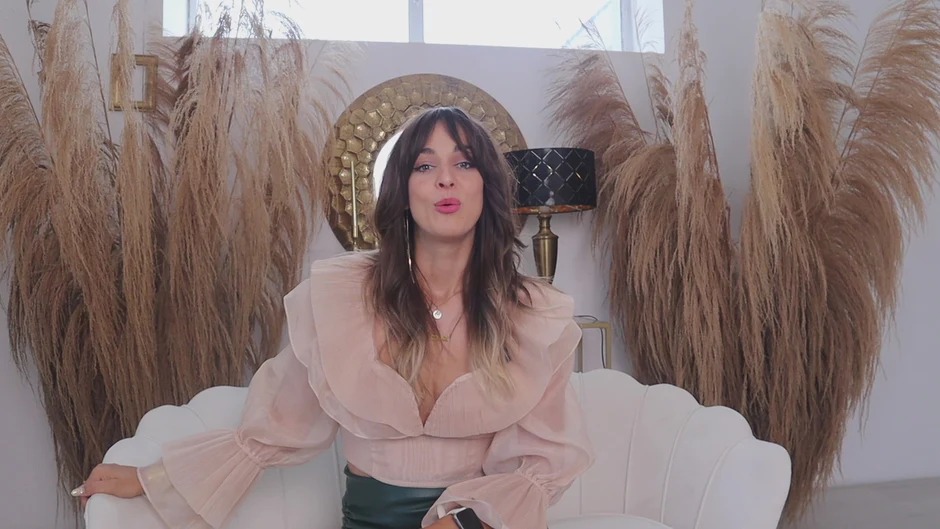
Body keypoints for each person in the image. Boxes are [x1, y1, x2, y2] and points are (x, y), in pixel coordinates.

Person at [72, 106, 594, 529]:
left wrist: (461, 523)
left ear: (488, 186)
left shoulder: (532, 314)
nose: (445, 180)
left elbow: (543, 466)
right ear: (402, 189)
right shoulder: (345, 298)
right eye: (424, 166)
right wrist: (155, 479)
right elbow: (275, 426)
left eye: (464, 164)